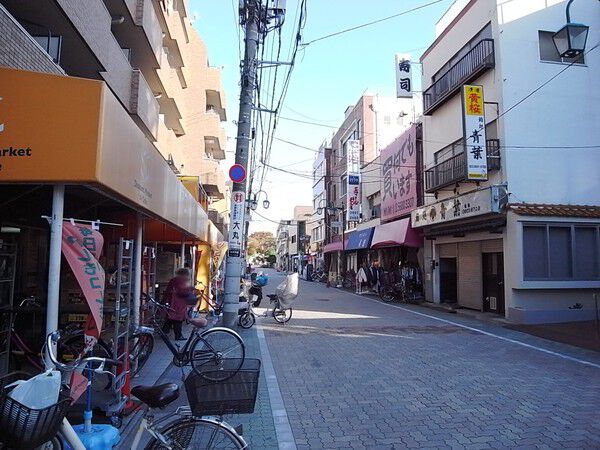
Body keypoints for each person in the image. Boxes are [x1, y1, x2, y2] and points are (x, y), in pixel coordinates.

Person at [162, 268, 206, 340]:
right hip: (177, 302)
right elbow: (182, 291)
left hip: (171, 301)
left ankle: (164, 331)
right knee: (177, 319)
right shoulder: (181, 280)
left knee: (170, 318)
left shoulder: (174, 279)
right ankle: (178, 336)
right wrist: (191, 289)